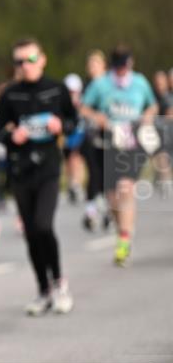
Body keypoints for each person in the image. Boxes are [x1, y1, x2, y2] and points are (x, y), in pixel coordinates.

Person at [0, 38, 77, 315]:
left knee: (43, 225)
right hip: (20, 169)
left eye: (29, 60)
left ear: (42, 59)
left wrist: (60, 125)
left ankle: (59, 282)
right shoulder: (10, 94)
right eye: (19, 62)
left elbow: (74, 121)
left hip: (48, 167)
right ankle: (43, 289)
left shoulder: (56, 89)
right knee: (30, 233)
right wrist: (11, 136)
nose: (24, 66)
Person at [80, 45, 158, 267]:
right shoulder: (101, 84)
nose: (122, 71)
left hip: (132, 142)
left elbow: (152, 106)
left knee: (126, 187)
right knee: (113, 197)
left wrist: (147, 117)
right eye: (118, 67)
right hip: (108, 143)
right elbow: (84, 108)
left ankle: (124, 240)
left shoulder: (140, 82)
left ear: (130, 64)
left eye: (125, 67)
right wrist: (98, 117)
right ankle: (121, 228)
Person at [81, 50, 109, 232]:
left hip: (112, 136)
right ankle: (91, 210)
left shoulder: (111, 84)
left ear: (104, 66)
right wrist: (95, 116)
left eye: (96, 64)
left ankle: (108, 209)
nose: (93, 68)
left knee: (108, 174)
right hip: (91, 135)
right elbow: (82, 109)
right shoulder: (88, 86)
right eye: (90, 65)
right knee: (93, 172)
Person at [62, 74, 87, 204]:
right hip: (67, 134)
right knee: (68, 159)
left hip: (80, 133)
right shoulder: (62, 101)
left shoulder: (82, 101)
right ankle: (71, 183)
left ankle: (76, 184)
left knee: (76, 158)